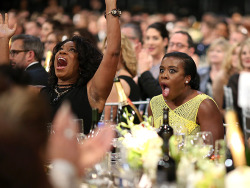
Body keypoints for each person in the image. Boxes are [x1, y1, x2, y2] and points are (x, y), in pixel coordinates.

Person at [40, 0, 121, 134]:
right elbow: (5, 83)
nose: (62, 51)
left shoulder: (91, 93)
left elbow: (113, 52)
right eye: (60, 49)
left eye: (72, 50)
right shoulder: (41, 93)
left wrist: (111, 5)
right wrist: (3, 40)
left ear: (82, 63)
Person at [149, 52, 224, 145]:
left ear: (187, 78)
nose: (164, 75)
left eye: (172, 71)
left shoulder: (204, 105)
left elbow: (215, 150)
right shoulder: (154, 103)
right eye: (161, 70)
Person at [137, 30, 195, 100]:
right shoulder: (164, 69)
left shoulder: (192, 74)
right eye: (171, 44)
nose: (173, 48)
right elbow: (145, 95)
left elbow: (161, 97)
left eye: (179, 45)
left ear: (191, 51)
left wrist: (144, 72)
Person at [103, 34, 141, 120]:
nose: (105, 52)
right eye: (105, 48)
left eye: (109, 48)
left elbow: (108, 120)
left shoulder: (119, 83)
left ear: (120, 52)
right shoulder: (126, 76)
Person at [137, 22, 169, 100]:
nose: (150, 42)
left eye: (155, 38)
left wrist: (144, 72)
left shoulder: (169, 65)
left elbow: (159, 95)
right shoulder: (143, 62)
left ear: (165, 41)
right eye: (147, 38)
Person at [212, 43, 241, 116]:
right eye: (233, 54)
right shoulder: (222, 77)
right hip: (228, 122)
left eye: (240, 54)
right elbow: (217, 109)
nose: (236, 57)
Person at [228, 38, 250, 129]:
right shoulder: (234, 79)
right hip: (241, 126)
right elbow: (234, 109)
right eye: (244, 53)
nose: (247, 56)